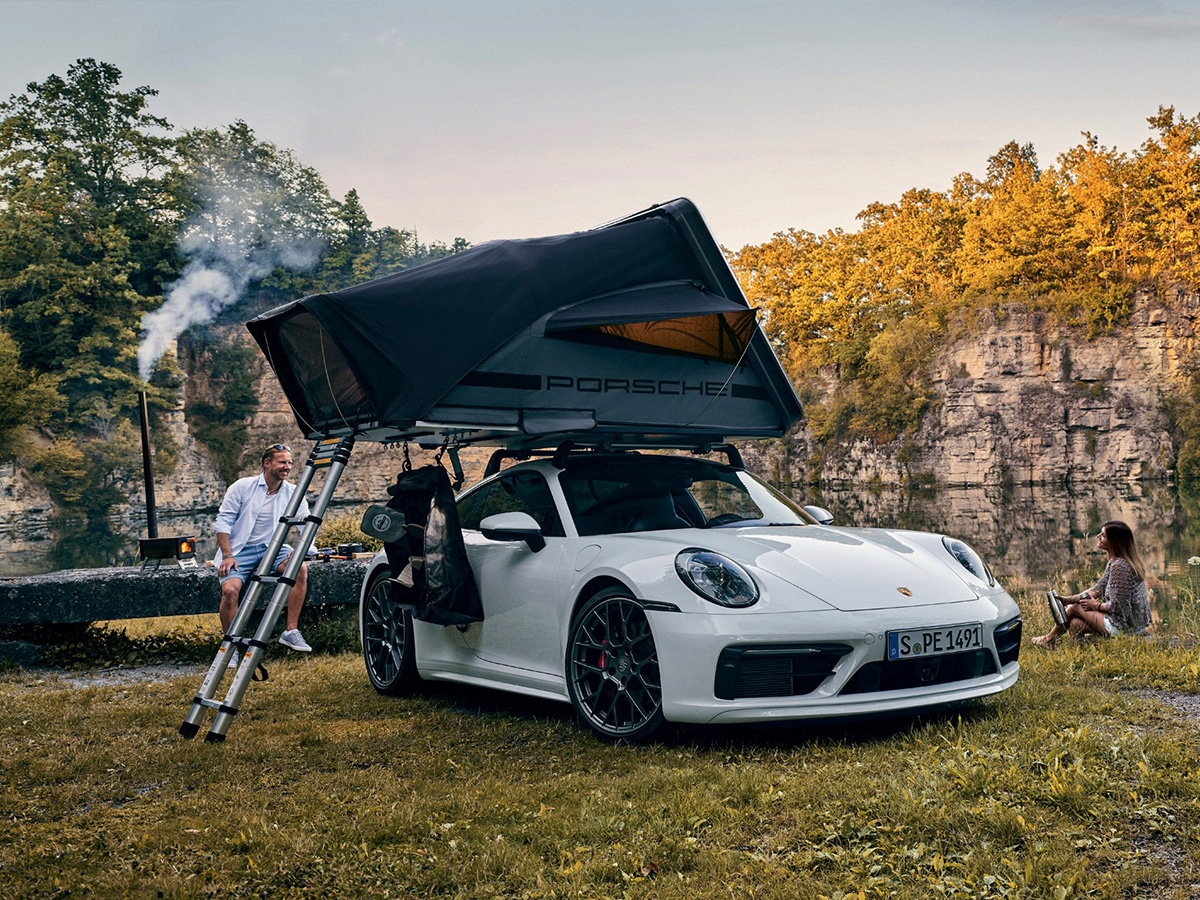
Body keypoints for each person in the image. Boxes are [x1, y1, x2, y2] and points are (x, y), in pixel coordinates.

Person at [213, 443, 312, 656]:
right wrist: (227, 555)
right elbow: (223, 522)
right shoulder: (242, 487)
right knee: (230, 591)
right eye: (282, 462)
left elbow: (306, 525)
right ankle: (230, 648)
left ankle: (291, 631)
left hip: (273, 548)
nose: (287, 467)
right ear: (267, 464)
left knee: (299, 568)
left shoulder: (294, 492)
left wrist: (303, 551)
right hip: (240, 551)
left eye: (289, 463)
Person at [1033, 520, 1151, 647]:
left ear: (1114, 541)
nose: (1098, 537)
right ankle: (1081, 654)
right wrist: (1070, 599)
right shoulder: (1115, 562)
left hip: (1126, 628)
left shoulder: (1120, 566)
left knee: (1074, 608)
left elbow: (1119, 607)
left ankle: (1049, 639)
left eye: (1103, 535)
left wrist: (1096, 606)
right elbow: (1098, 589)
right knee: (1074, 624)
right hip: (1124, 623)